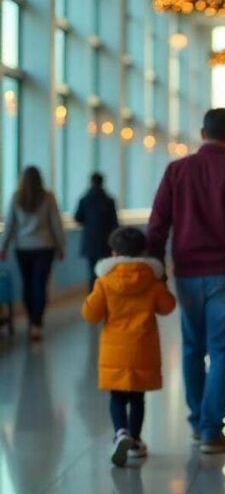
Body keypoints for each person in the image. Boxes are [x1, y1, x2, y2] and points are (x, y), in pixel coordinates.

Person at [147, 108, 225, 455]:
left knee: (191, 347)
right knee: (220, 351)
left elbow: (158, 223)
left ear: (202, 132)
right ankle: (212, 429)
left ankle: (197, 420)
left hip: (187, 272)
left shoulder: (177, 171)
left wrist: (156, 266)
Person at [81, 227, 176, 466]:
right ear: (143, 251)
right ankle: (135, 441)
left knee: (117, 397)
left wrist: (95, 292)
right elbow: (167, 307)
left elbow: (90, 314)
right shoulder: (152, 280)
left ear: (113, 252)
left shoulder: (104, 281)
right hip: (143, 349)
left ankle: (120, 432)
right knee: (137, 398)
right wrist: (162, 283)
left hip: (115, 350)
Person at [0, 166, 65, 341]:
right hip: (45, 247)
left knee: (27, 284)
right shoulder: (48, 197)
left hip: (23, 248)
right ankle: (37, 323)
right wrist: (61, 246)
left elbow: (9, 225)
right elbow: (56, 224)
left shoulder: (16, 197)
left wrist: (3, 248)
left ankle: (31, 320)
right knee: (40, 284)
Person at [74, 172, 119, 290]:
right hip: (106, 241)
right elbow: (115, 223)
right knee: (106, 269)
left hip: (90, 241)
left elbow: (78, 218)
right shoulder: (109, 201)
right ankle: (105, 292)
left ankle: (93, 294)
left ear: (91, 182)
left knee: (91, 270)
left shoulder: (84, 200)